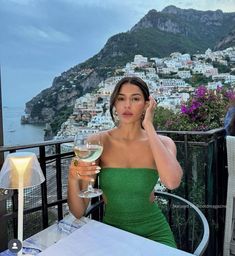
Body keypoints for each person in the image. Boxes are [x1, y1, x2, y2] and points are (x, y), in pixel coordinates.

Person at [67, 76, 183, 248]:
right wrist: (72, 178)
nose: (127, 105)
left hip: (154, 232)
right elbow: (78, 212)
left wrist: (149, 126)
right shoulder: (98, 142)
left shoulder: (163, 143)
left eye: (135, 99)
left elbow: (172, 182)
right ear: (114, 103)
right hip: (112, 233)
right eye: (121, 98)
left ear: (146, 104)